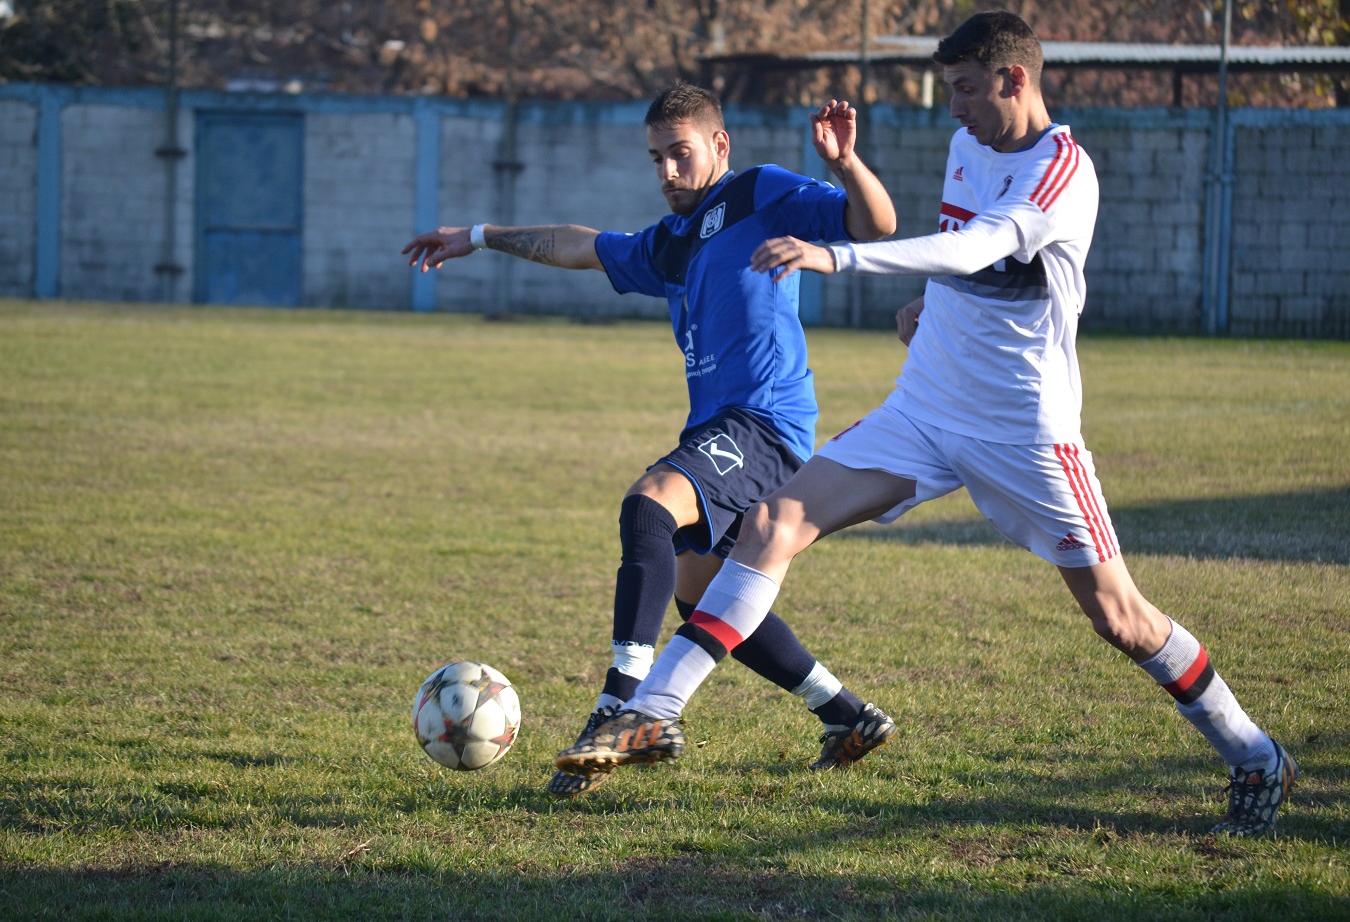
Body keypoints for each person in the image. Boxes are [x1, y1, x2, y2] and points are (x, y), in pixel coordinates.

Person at [555, 13, 1297, 837]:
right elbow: (957, 261)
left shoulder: (1061, 172)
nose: (954, 109)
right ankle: (654, 710)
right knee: (772, 522)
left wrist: (837, 256)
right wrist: (928, 307)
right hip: (924, 407)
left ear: (1015, 80)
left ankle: (1255, 754)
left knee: (1119, 617)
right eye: (951, 91)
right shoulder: (966, 146)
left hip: (1023, 429)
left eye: (966, 89)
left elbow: (979, 248)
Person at [404, 83, 901, 797]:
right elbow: (582, 246)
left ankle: (620, 707)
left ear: (718, 146)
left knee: (649, 505)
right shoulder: (670, 243)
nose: (667, 171)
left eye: (681, 153)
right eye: (656, 158)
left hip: (763, 424)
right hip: (720, 429)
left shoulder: (759, 193)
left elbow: (873, 224)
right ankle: (847, 716)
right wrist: (480, 237)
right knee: (703, 599)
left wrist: (848, 164)